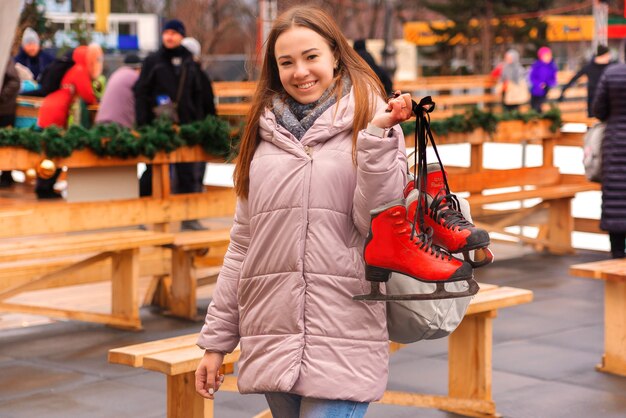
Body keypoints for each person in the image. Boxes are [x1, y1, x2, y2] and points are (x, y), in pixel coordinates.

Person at [193, 5, 410, 417]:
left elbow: (379, 224)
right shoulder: (262, 137)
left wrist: (378, 140)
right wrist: (216, 342)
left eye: (311, 57)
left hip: (342, 333)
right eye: (286, 62)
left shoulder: (372, 123)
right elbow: (242, 247)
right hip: (273, 333)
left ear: (334, 55)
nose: (300, 72)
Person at [133, 20, 213, 231]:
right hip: (159, 125)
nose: (169, 36)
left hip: (187, 125)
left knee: (188, 171)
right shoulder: (153, 61)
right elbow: (141, 92)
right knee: (152, 170)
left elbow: (200, 94)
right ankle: (141, 215)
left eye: (174, 33)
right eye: (166, 32)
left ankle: (189, 217)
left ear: (181, 36)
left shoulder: (189, 62)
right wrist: (144, 123)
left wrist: (201, 122)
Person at [35, 44, 101, 199]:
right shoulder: (79, 70)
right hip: (56, 111)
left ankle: (44, 187)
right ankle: (44, 188)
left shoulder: (73, 69)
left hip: (51, 106)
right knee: (55, 150)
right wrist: (96, 100)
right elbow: (87, 95)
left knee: (51, 150)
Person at [592, 45, 626, 259]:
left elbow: (598, 109)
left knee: (616, 197)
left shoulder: (612, 73)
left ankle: (616, 251)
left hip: (615, 144)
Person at [559, 44, 612, 117]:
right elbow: (575, 77)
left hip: (607, 99)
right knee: (592, 117)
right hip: (593, 99)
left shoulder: (611, 67)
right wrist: (564, 90)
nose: (609, 57)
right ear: (602, 56)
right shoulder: (590, 67)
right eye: (607, 55)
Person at [95, 54, 142, 128]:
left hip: (101, 121)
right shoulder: (134, 76)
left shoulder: (116, 74)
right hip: (118, 125)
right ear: (138, 68)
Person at [0, 60, 20, 188]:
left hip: (5, 110)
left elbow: (15, 82)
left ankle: (7, 175)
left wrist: (2, 95)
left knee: (6, 141)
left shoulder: (5, 60)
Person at [529, 46, 558, 113]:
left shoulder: (552, 66)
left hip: (546, 89)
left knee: (541, 105)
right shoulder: (537, 65)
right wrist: (538, 84)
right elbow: (532, 77)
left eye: (549, 55)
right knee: (534, 105)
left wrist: (548, 84)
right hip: (536, 89)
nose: (548, 57)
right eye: (545, 56)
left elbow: (553, 78)